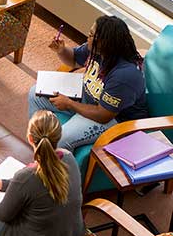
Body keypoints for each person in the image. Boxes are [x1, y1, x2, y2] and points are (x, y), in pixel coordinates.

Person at [28, 15, 148, 153]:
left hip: (116, 119)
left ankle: (55, 171)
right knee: (34, 94)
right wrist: (62, 50)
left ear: (105, 42)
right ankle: (40, 151)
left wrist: (69, 103)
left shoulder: (124, 75)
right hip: (89, 98)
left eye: (91, 35)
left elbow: (103, 115)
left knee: (60, 138)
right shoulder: (97, 50)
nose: (87, 37)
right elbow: (73, 60)